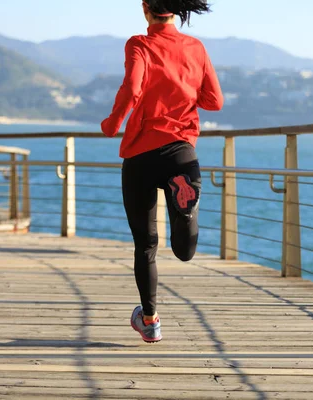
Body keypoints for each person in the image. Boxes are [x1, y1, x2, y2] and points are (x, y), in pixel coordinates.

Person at [101, 0, 223, 343]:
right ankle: (185, 214)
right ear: (177, 11)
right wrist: (184, 88)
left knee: (145, 244)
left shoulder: (139, 44)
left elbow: (133, 87)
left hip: (140, 153)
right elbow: (214, 101)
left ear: (146, 9)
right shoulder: (195, 48)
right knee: (183, 250)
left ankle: (150, 321)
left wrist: (112, 125)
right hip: (180, 153)